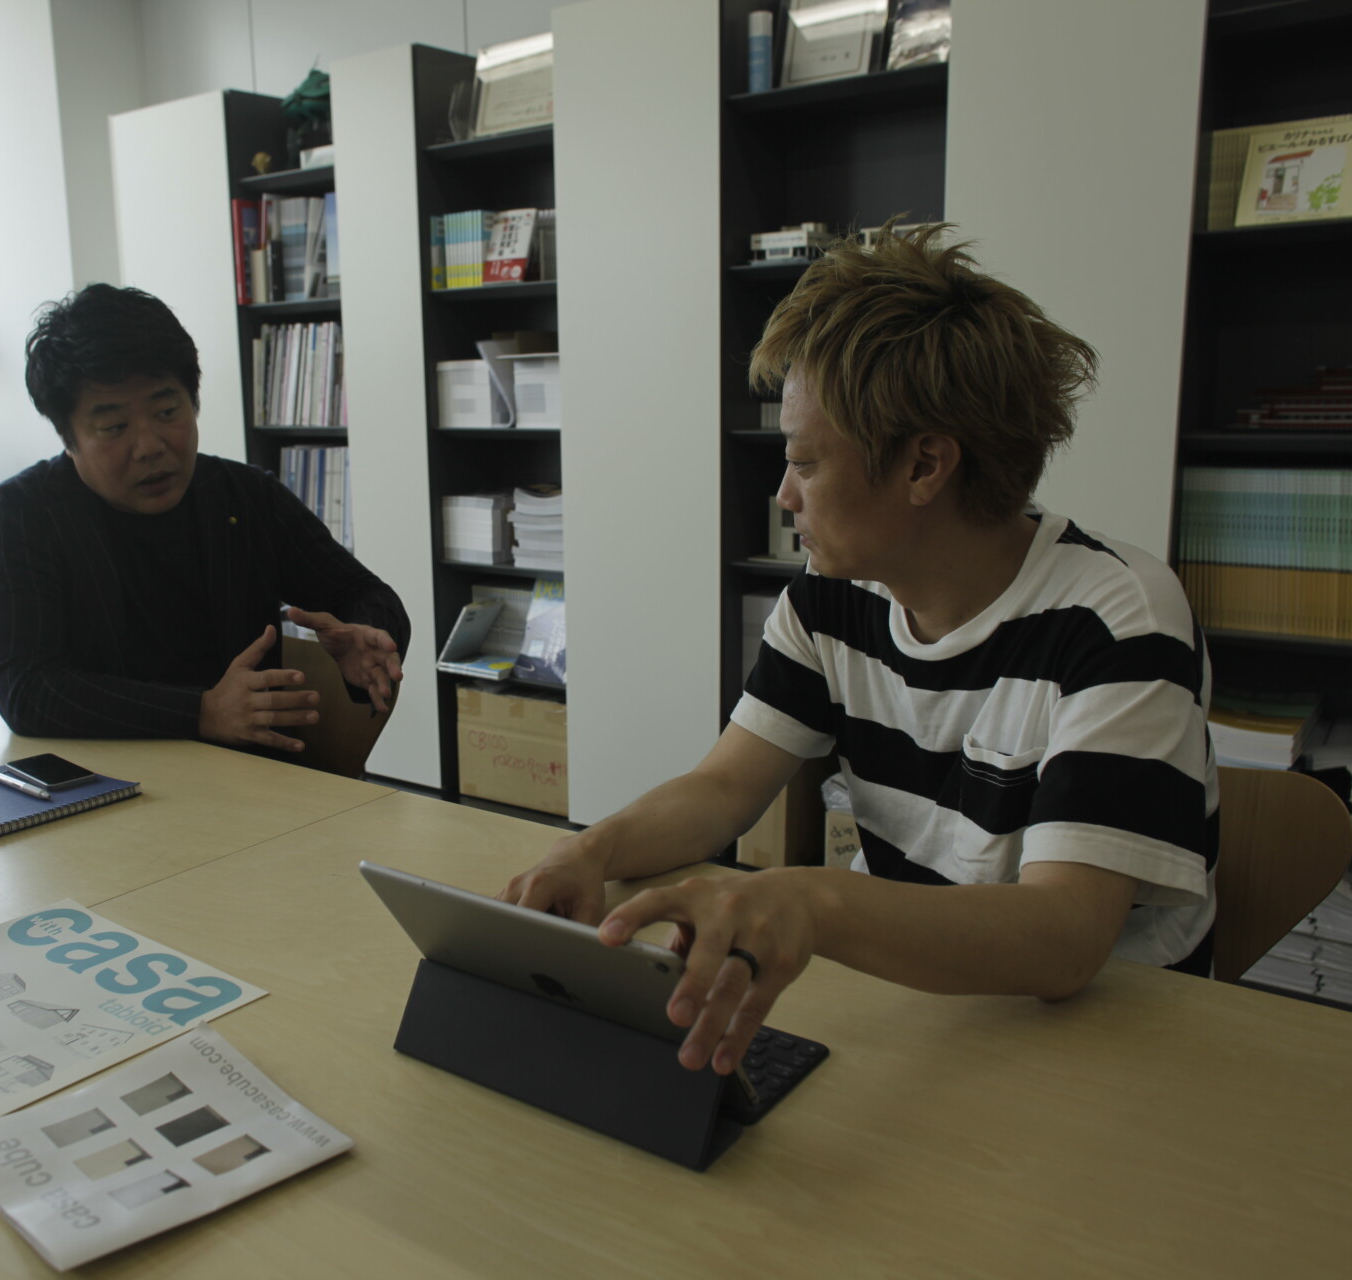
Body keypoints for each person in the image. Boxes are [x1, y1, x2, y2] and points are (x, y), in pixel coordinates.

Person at [503, 224, 1216, 1078]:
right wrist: (591, 850)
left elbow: (1064, 937)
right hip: (928, 1013)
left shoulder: (1118, 619)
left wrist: (815, 901)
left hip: (1108, 1048)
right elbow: (723, 790)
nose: (784, 495)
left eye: (805, 462)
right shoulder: (832, 597)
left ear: (925, 465)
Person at [0, 284, 408, 749]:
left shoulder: (244, 498)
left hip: (246, 777)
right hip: (96, 778)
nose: (150, 446)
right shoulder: (18, 520)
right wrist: (200, 712)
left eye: (166, 411)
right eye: (114, 427)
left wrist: (368, 634)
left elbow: (365, 593)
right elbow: (27, 690)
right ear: (67, 435)